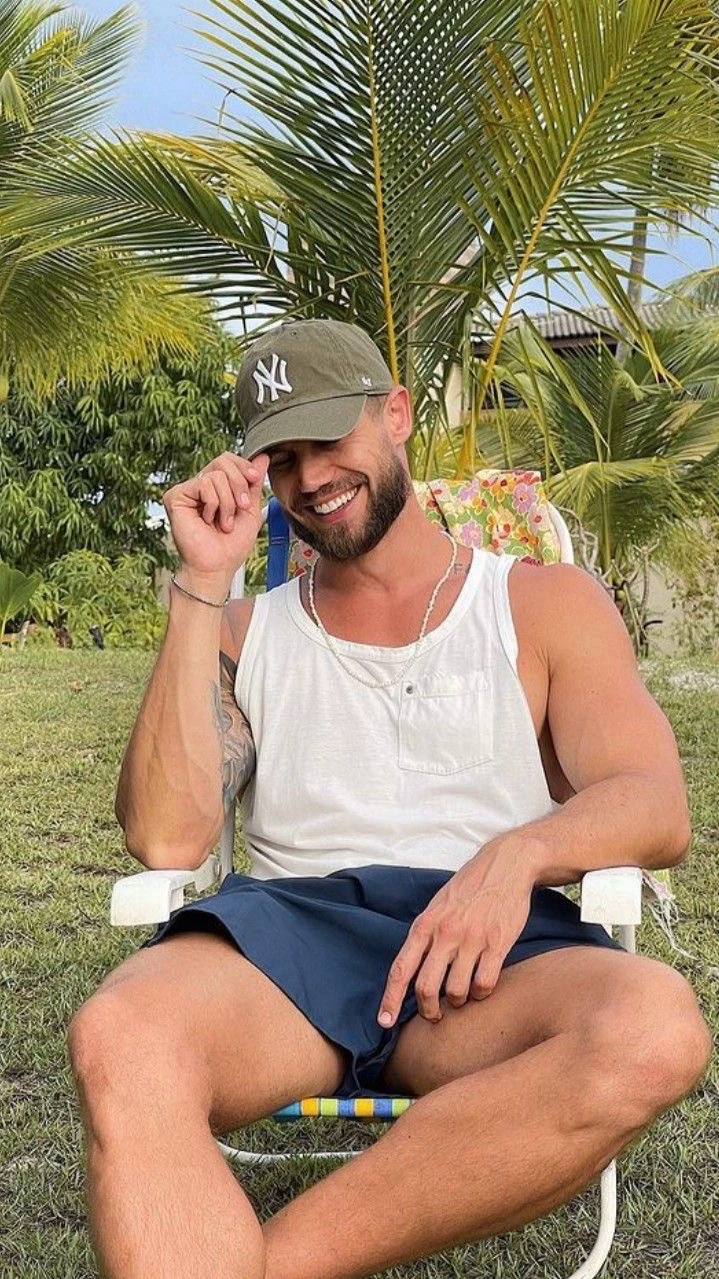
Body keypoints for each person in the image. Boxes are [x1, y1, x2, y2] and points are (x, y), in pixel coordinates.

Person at [68, 319, 711, 1279]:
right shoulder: (242, 628)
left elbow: (653, 802)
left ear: (396, 414)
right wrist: (201, 582)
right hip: (285, 948)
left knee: (653, 1028)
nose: (310, 477)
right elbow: (166, 837)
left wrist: (514, 858)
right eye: (282, 457)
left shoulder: (540, 601)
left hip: (491, 954)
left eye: (329, 437)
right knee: (120, 1033)